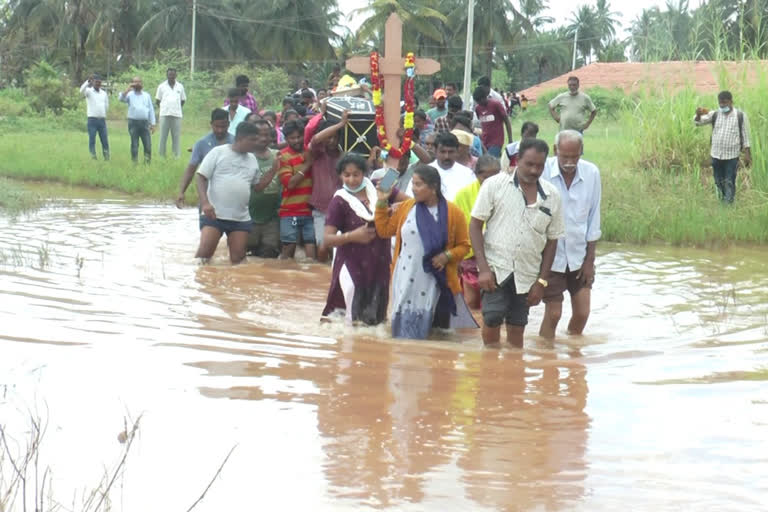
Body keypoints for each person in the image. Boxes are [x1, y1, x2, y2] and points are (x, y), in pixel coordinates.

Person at [469, 138, 565, 348]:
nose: (534, 170)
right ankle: (491, 367)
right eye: (529, 164)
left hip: (527, 274)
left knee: (517, 325)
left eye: (539, 166)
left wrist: (541, 282)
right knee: (492, 318)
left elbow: (552, 241)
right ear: (517, 160)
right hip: (496, 268)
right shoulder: (494, 185)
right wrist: (483, 269)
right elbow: (475, 225)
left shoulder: (552, 196)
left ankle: (514, 372)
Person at [375, 164, 478, 339]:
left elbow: (464, 246)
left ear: (433, 187)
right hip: (405, 278)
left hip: (437, 280)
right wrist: (382, 201)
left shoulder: (454, 213)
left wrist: (447, 256)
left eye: (418, 184)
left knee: (436, 332)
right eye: (413, 184)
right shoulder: (406, 208)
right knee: (403, 333)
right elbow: (384, 231)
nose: (413, 189)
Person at [322, 154, 408, 325]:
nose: (352, 180)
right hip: (352, 263)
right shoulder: (339, 200)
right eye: (347, 175)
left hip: (379, 262)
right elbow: (327, 240)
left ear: (365, 174)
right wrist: (353, 236)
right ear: (340, 176)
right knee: (349, 318)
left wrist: (394, 209)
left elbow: (412, 203)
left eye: (356, 174)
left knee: (376, 319)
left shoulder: (379, 188)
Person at [539, 130, 601, 338]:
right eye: (564, 156)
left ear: (581, 152)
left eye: (575, 156)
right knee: (554, 314)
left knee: (583, 313)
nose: (569, 162)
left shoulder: (591, 173)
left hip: (579, 256)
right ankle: (547, 360)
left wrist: (589, 260)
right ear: (555, 150)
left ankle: (574, 357)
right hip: (550, 258)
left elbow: (594, 219)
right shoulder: (542, 171)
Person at [195, 122, 263, 264]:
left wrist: (274, 170)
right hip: (214, 215)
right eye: (253, 140)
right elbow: (201, 177)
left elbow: (257, 187)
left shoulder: (252, 160)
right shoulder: (218, 152)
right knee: (203, 257)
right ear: (240, 138)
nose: (256, 144)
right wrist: (205, 203)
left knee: (238, 261)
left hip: (240, 218)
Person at [453, 155, 501, 309]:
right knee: (471, 301)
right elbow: (455, 226)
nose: (490, 182)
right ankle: (471, 332)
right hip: (470, 254)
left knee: (497, 303)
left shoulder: (507, 193)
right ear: (476, 174)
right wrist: (456, 257)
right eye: (485, 177)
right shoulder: (463, 194)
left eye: (495, 177)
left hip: (498, 256)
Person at [694, 90, 752, 203]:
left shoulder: (740, 116)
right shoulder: (715, 114)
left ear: (731, 102)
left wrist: (747, 154)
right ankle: (722, 200)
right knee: (718, 181)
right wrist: (698, 114)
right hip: (716, 155)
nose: (722, 105)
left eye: (725, 103)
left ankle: (728, 204)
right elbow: (698, 123)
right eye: (720, 103)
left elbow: (745, 136)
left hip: (731, 156)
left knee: (729, 180)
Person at [308, 113, 346, 262]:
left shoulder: (344, 157)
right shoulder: (317, 153)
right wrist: (340, 124)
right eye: (329, 137)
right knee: (322, 247)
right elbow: (316, 139)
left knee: (339, 249)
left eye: (335, 137)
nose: (332, 140)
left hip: (341, 209)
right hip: (321, 209)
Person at [176, 108, 233, 208]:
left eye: (223, 126)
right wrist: (181, 192)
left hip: (231, 197)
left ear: (228, 124)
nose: (220, 130)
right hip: (207, 198)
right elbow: (191, 170)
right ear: (211, 124)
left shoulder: (236, 142)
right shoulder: (201, 144)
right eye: (216, 126)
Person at [276, 120, 316, 260]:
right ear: (286, 139)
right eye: (292, 138)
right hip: (290, 211)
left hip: (310, 211)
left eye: (299, 136)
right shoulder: (283, 156)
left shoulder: (310, 151)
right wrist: (307, 164)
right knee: (288, 249)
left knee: (311, 252)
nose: (297, 140)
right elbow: (290, 184)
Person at [405, 132, 475, 201]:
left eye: (451, 152)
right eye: (443, 152)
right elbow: (410, 199)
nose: (446, 156)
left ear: (457, 152)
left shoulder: (468, 174)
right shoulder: (422, 174)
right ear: (435, 151)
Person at [247, 120, 282, 258]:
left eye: (266, 135)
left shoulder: (278, 155)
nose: (263, 138)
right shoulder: (246, 157)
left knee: (269, 257)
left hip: (272, 218)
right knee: (246, 256)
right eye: (259, 135)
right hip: (249, 217)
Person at [118, 76, 156, 164]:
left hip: (144, 123)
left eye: (139, 82)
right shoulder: (129, 95)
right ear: (132, 83)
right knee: (134, 144)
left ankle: (147, 163)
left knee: (148, 145)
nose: (137, 84)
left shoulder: (146, 95)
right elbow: (120, 98)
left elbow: (151, 109)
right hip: (133, 123)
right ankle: (134, 163)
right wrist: (128, 89)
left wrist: (153, 124)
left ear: (141, 83)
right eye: (135, 82)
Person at [154, 68, 186, 159]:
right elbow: (157, 100)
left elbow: (183, 100)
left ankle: (176, 157)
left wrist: (176, 107)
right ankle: (161, 156)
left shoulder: (180, 86)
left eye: (173, 75)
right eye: (169, 75)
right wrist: (165, 107)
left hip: (177, 115)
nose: (171, 76)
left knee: (176, 137)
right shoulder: (161, 86)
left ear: (176, 75)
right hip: (164, 114)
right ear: (167, 75)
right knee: (163, 137)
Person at [473, 86, 512, 158]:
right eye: (477, 101)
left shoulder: (496, 105)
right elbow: (483, 124)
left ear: (485, 97)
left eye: (480, 100)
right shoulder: (478, 109)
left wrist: (510, 139)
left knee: (489, 162)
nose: (479, 103)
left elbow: (506, 121)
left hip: (496, 141)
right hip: (484, 141)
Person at [80, 73, 109, 160]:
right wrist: (87, 81)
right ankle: (93, 157)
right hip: (92, 119)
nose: (98, 84)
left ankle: (106, 157)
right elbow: (81, 90)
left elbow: (106, 105)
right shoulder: (89, 91)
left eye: (99, 82)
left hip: (102, 120)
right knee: (92, 139)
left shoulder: (104, 93)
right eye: (96, 82)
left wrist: (103, 113)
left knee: (104, 140)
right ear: (93, 82)